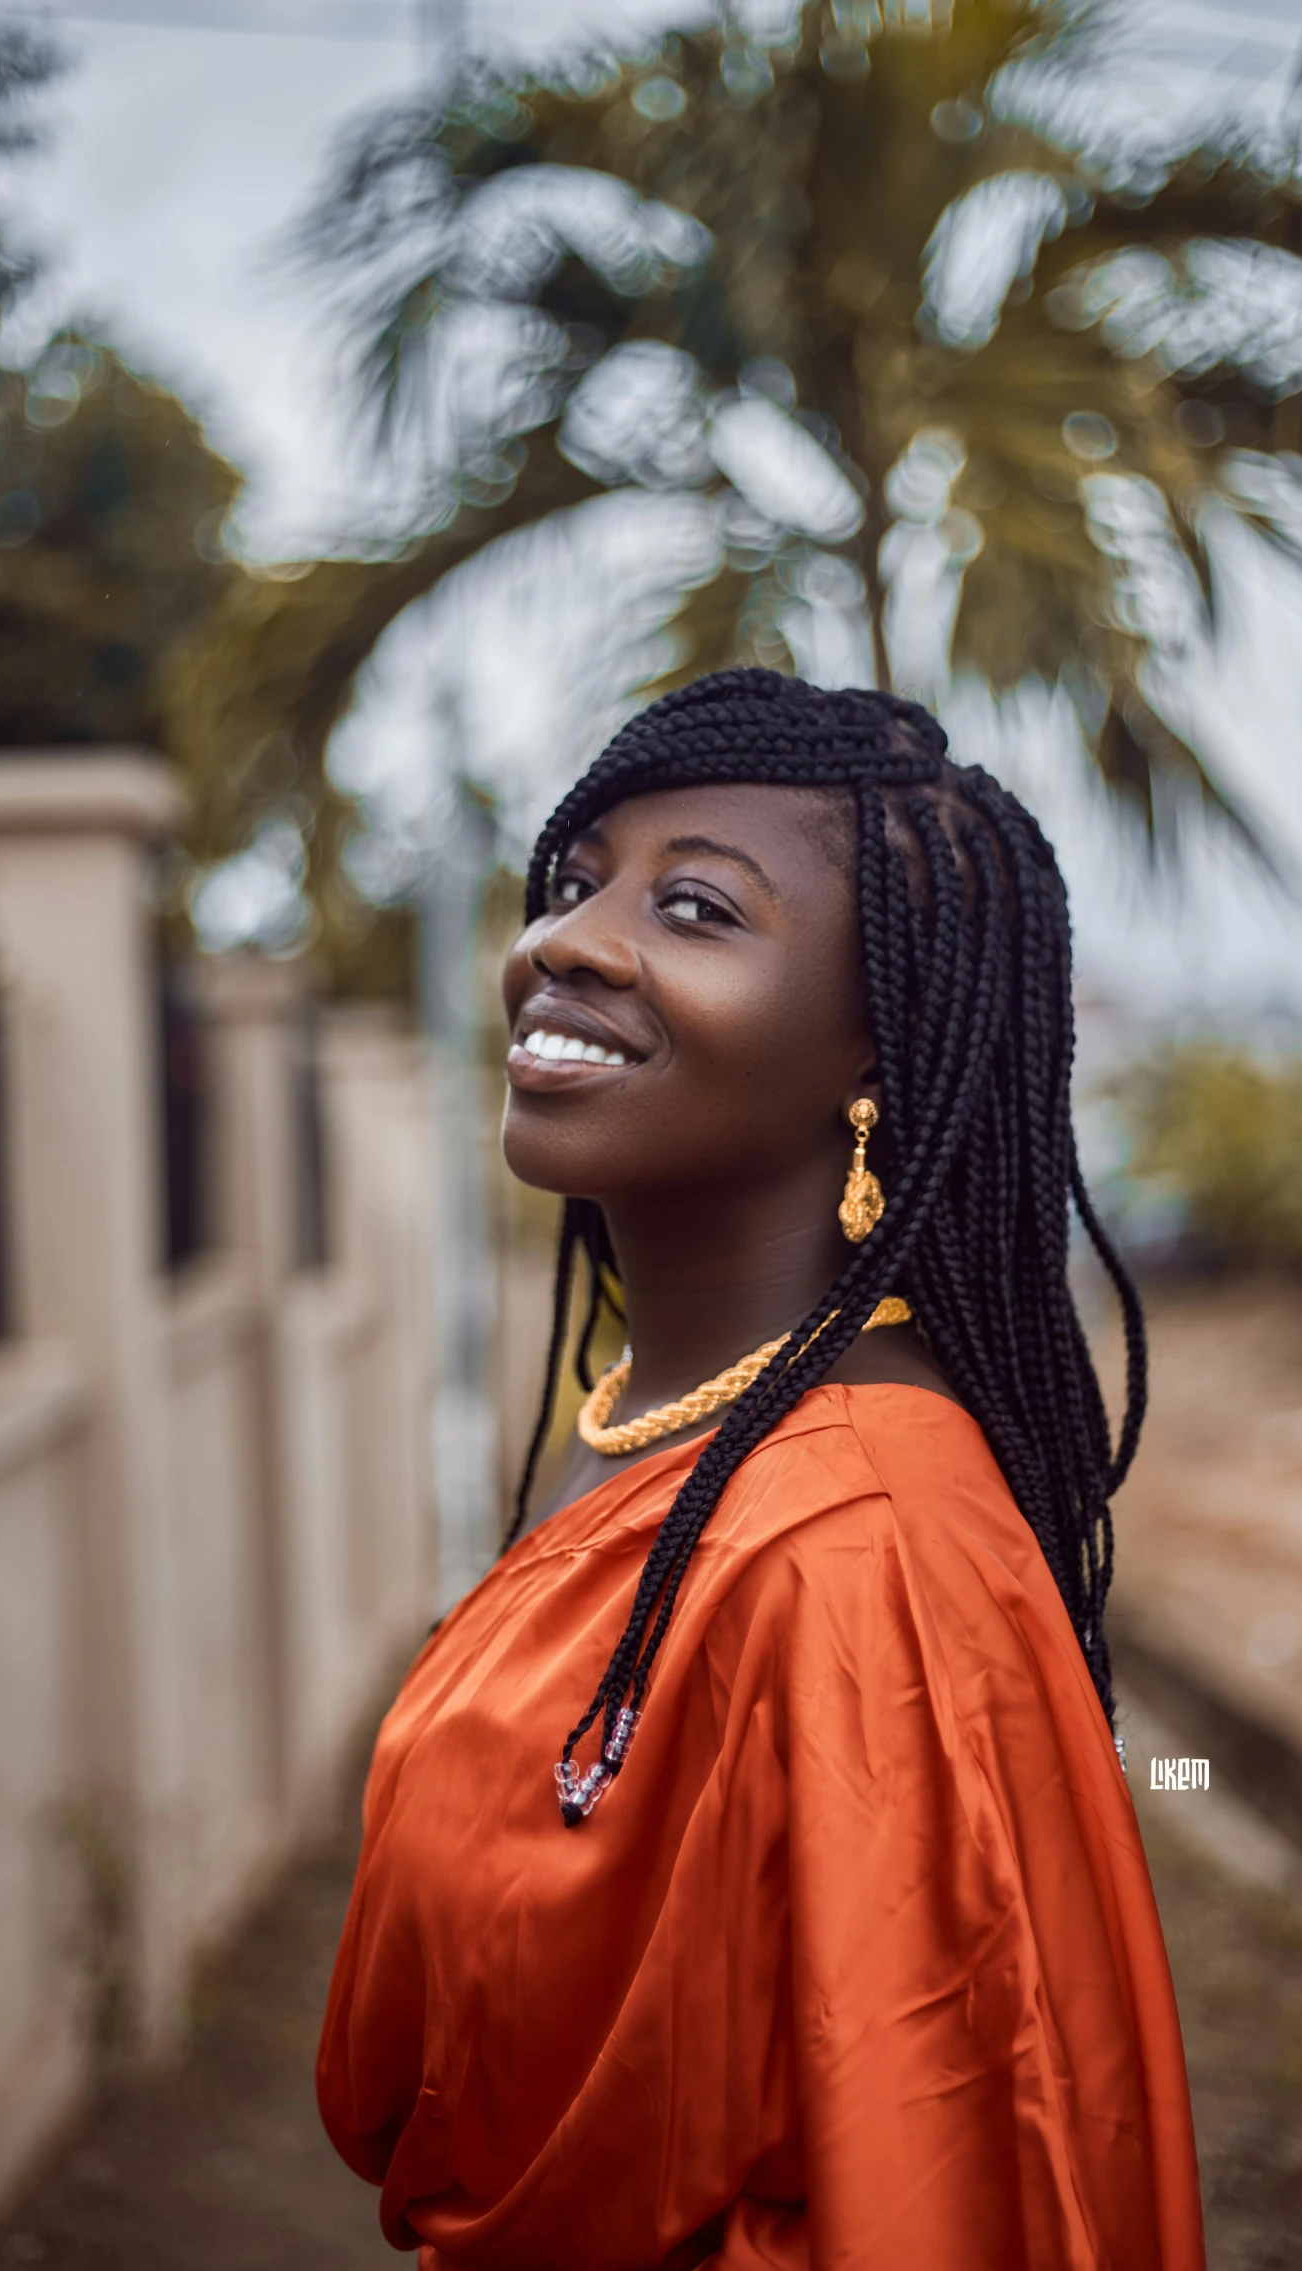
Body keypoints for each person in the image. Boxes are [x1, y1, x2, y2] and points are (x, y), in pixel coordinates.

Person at [317, 668, 1204, 2270]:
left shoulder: (855, 1551)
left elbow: (941, 2198)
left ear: (880, 1044)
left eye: (696, 909)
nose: (567, 942)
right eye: (579, 882)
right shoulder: (663, 1428)